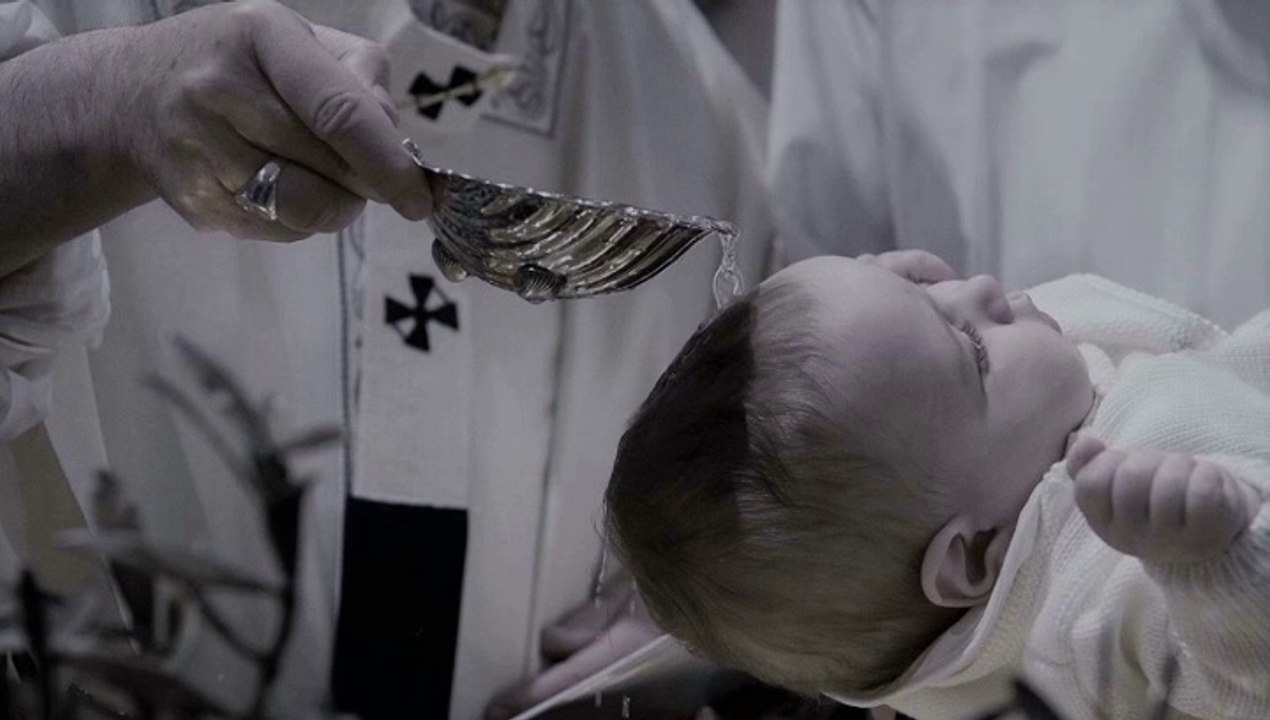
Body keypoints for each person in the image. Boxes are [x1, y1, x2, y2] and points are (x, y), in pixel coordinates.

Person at [605, 250, 1270, 719]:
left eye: (918, 287)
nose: (981, 288)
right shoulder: (1096, 603)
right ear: (974, 553)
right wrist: (1222, 565)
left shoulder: (1008, 446)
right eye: (973, 350)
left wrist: (883, 301)